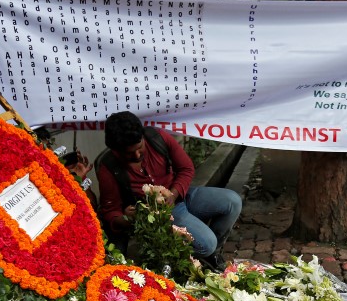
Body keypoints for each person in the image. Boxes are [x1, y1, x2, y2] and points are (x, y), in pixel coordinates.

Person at [97, 111, 242, 270]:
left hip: (180, 197)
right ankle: (184, 253)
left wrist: (173, 193)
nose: (137, 155)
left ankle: (210, 255)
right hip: (162, 217)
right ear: (116, 150)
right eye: (129, 154)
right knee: (207, 244)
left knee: (232, 201)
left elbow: (186, 168)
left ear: (143, 138)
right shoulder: (109, 168)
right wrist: (127, 218)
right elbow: (110, 212)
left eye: (139, 148)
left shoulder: (157, 138)